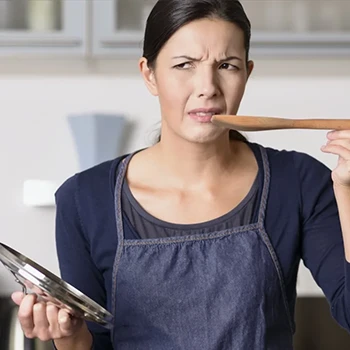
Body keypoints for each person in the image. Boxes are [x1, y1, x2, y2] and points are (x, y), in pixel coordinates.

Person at [11, 0, 350, 349]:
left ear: (246, 74)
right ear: (149, 74)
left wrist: (347, 191)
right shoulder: (84, 199)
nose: (208, 87)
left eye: (226, 65)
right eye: (185, 64)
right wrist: (68, 336)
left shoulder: (297, 182)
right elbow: (91, 343)